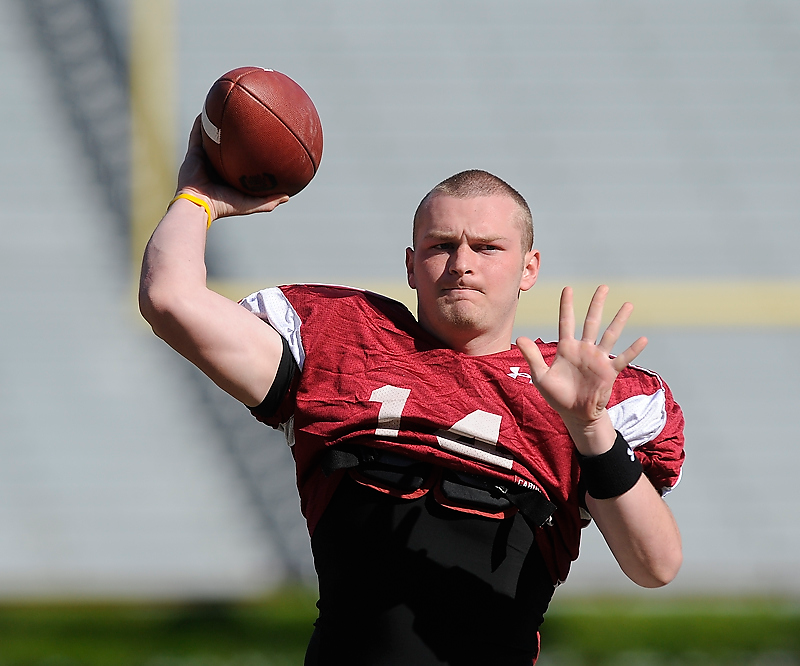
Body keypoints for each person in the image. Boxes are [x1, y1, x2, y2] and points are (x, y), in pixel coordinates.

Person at [140, 118, 684, 666]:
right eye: (441, 245)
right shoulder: (341, 343)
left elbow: (654, 566)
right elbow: (169, 299)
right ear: (410, 264)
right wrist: (197, 199)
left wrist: (591, 429)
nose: (463, 264)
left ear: (528, 268)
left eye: (488, 247)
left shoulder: (571, 395)